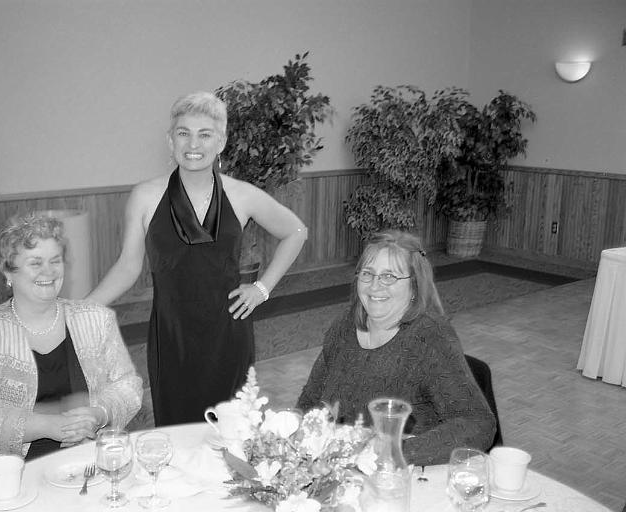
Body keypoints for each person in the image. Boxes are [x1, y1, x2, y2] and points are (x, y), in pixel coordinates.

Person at [87, 91, 307, 426]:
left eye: (205, 134)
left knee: (230, 432)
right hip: (171, 334)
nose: (194, 143)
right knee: (176, 430)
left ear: (221, 141)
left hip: (228, 332)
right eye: (183, 133)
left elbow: (296, 232)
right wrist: (80, 310)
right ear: (169, 140)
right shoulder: (145, 196)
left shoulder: (241, 194)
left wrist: (261, 289)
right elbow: (128, 266)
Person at [0, 212, 142, 501]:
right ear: (8, 273)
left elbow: (128, 386)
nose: (48, 272)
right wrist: (48, 426)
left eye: (55, 261)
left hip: (87, 461)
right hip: (10, 467)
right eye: (35, 263)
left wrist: (100, 413)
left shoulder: (96, 320)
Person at [296, 230, 495, 466]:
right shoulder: (344, 327)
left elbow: (477, 423)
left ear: (413, 285)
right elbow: (310, 403)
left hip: (402, 477)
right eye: (367, 274)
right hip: (338, 471)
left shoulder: (429, 337)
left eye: (389, 276)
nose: (375, 286)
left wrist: (393, 453)